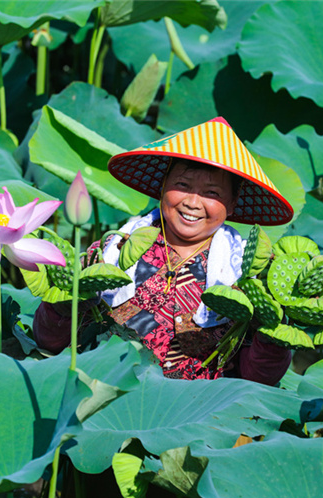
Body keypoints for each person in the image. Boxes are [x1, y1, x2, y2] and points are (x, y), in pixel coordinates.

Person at [33, 117, 294, 386]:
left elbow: (257, 379)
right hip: (105, 393)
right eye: (182, 185)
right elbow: (49, 341)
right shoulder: (111, 251)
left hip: (202, 406)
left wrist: (271, 335)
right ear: (163, 185)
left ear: (233, 201)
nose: (192, 202)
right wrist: (64, 304)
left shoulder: (249, 275)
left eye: (211, 192)